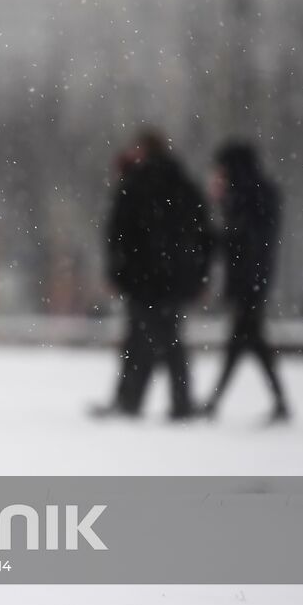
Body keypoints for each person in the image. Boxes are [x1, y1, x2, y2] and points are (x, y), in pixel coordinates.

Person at [92, 129, 213, 420]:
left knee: (140, 339)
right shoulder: (185, 185)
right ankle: (178, 401)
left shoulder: (134, 184)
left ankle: (130, 400)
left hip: (142, 278)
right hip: (176, 278)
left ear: (142, 150)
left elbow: (117, 233)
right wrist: (199, 275)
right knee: (169, 340)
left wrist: (116, 273)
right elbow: (205, 236)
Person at [201, 141, 290, 423]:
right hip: (253, 281)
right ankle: (276, 402)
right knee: (249, 343)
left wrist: (221, 206)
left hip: (248, 282)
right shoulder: (257, 195)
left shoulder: (247, 197)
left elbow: (238, 242)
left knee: (243, 342)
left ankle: (216, 401)